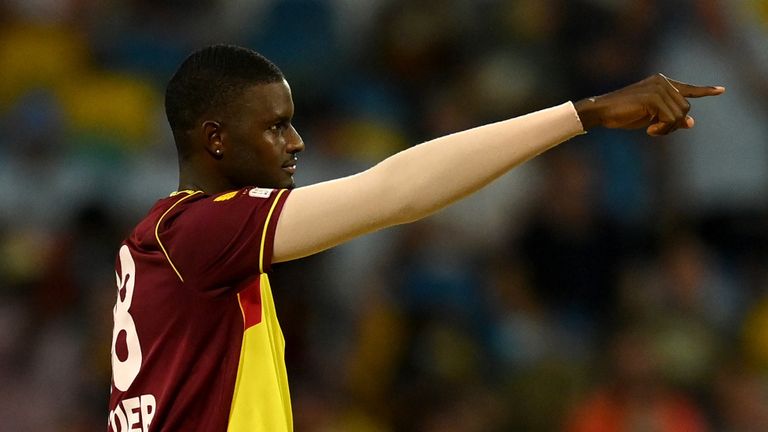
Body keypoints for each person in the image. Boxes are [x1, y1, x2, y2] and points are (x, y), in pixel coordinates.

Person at [106, 44, 723, 431]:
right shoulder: (201, 228)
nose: (296, 142)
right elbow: (395, 193)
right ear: (215, 139)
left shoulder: (165, 240)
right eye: (275, 127)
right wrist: (581, 115)